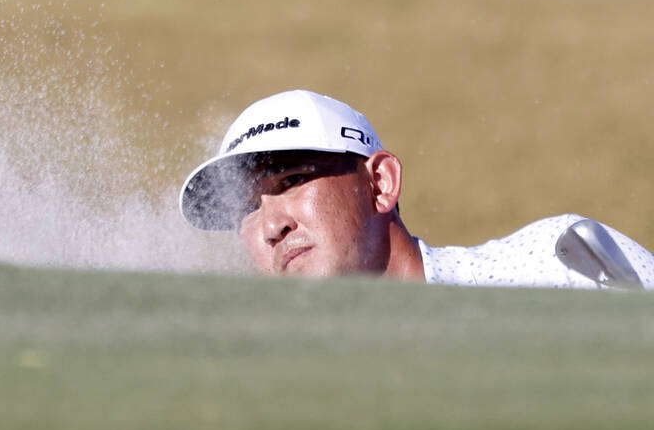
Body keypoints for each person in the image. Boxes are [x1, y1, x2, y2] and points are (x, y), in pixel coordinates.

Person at [179, 89, 654, 289]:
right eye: (246, 208)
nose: (271, 226)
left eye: (294, 180)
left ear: (380, 184)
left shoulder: (561, 263)